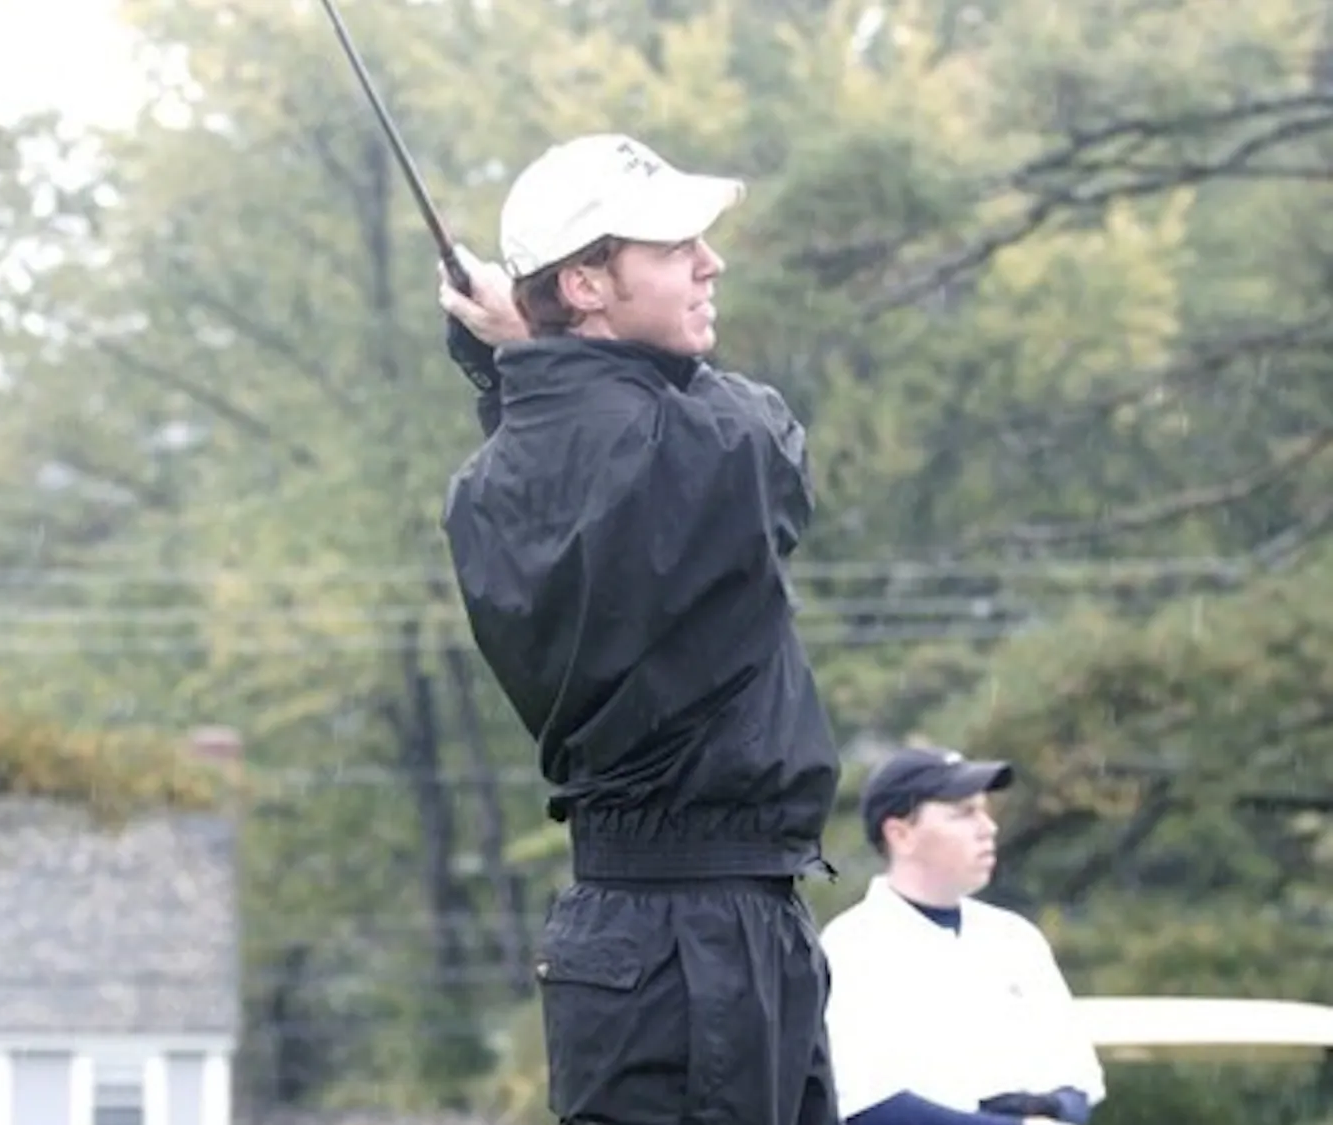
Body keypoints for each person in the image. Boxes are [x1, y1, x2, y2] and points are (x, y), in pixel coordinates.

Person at [435, 133, 843, 1125]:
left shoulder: (490, 482)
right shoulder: (695, 444)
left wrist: (521, 365)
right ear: (584, 285)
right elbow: (770, 443)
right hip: (687, 945)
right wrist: (530, 361)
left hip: (709, 926)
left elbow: (568, 440)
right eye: (673, 248)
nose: (711, 264)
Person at [818, 746, 1107, 1125]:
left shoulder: (1015, 938)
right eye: (964, 813)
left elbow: (1078, 1082)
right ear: (901, 833)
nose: (989, 827)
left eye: (984, 811)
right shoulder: (851, 948)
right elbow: (869, 1107)